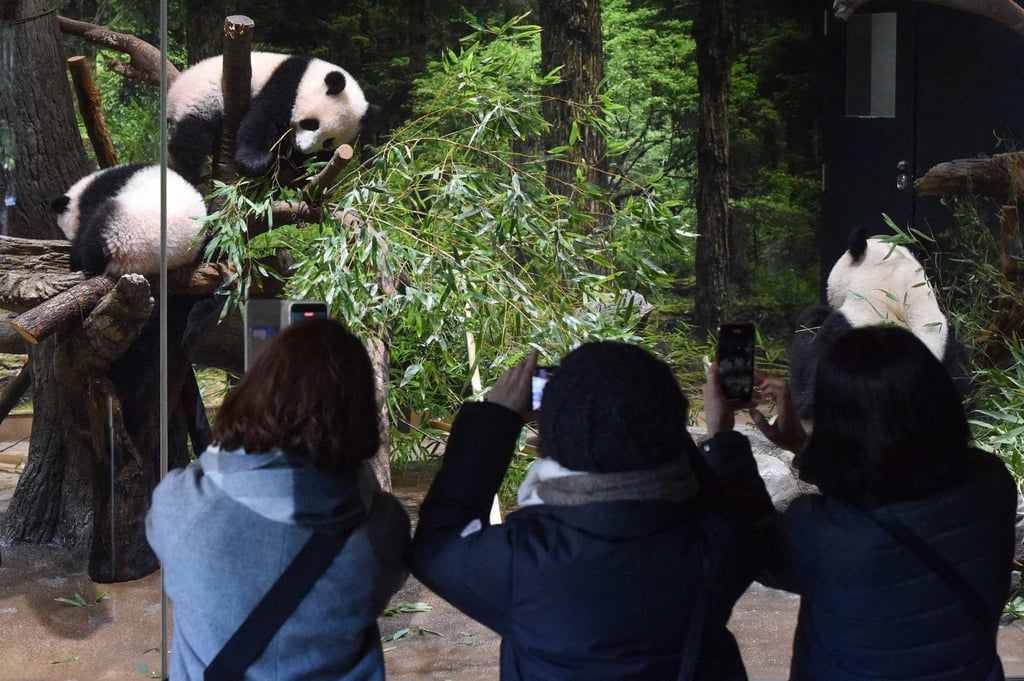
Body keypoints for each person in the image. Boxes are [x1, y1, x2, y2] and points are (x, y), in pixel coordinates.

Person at [412, 341, 773, 680]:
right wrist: (716, 433)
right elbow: (744, 513)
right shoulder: (720, 545)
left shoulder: (518, 563)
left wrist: (494, 419)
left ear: (551, 436)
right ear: (672, 425)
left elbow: (436, 543)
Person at [704, 324, 1016, 681]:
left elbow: (753, 544)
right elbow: (892, 482)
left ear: (837, 424)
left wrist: (723, 436)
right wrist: (801, 446)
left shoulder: (819, 531)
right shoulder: (992, 486)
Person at [146, 318, 410, 681]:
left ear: (253, 390)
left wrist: (234, 439)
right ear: (359, 414)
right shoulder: (382, 527)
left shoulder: (183, 504)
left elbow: (200, 481)